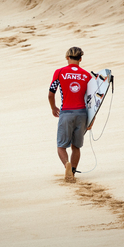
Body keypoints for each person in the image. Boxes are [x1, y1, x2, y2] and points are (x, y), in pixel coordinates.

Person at [48, 47, 92, 181]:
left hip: (66, 112)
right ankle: (72, 172)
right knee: (76, 146)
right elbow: (92, 101)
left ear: (67, 58)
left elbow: (51, 94)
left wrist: (53, 107)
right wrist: (91, 120)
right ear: (80, 59)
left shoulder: (60, 72)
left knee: (61, 146)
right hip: (82, 114)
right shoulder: (87, 75)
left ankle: (66, 164)